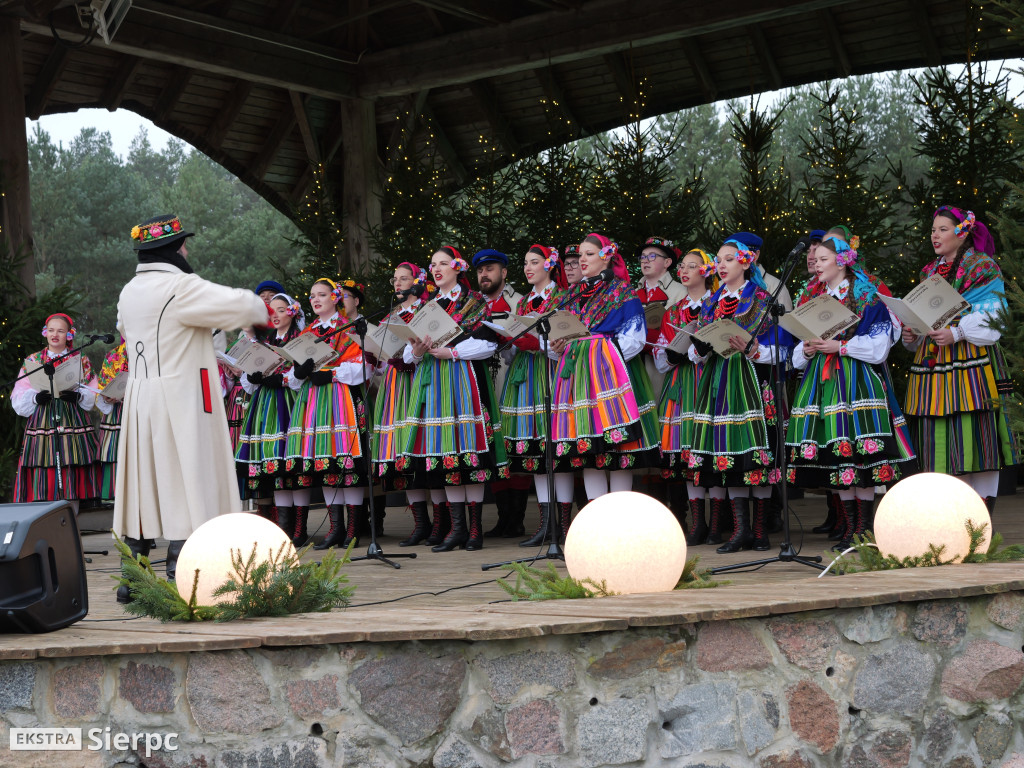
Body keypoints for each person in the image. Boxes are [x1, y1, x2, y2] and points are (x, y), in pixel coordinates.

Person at [114, 214, 268, 595]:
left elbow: (124, 328)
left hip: (140, 394)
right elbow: (246, 307)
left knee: (143, 481)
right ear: (172, 249)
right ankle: (184, 572)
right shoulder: (181, 287)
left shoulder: (129, 290)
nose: (187, 250)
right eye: (183, 244)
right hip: (181, 395)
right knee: (186, 479)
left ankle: (132, 572)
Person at [786, 235, 917, 548]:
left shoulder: (866, 293)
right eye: (814, 259)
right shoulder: (809, 294)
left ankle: (864, 528)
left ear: (842, 261)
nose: (815, 264)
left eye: (822, 259)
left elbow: (880, 347)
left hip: (857, 379)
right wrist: (805, 348)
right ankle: (849, 527)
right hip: (822, 381)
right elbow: (794, 352)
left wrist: (840, 346)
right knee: (838, 456)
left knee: (862, 453)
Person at [902, 207, 1018, 512]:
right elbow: (925, 320)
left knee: (979, 444)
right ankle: (957, 521)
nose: (934, 236)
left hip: (972, 365)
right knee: (944, 447)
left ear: (961, 232)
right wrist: (912, 335)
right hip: (934, 370)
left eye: (942, 229)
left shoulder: (982, 267)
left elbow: (998, 316)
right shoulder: (930, 272)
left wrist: (959, 332)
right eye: (932, 230)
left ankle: (981, 523)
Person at [396, 246, 509, 552]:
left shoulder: (473, 302)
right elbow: (410, 353)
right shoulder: (427, 306)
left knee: (468, 453)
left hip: (463, 382)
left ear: (457, 268)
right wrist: (416, 351)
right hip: (433, 387)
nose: (436, 269)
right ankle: (457, 529)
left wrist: (453, 352)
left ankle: (474, 530)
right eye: (433, 264)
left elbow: (488, 345)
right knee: (446, 455)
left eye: (443, 263)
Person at [687, 238, 794, 554]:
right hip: (720, 382)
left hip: (753, 382)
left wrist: (753, 349)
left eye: (729, 259)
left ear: (746, 263)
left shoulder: (763, 299)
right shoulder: (712, 301)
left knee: (757, 452)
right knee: (729, 452)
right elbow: (699, 346)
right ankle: (742, 529)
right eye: (718, 260)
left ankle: (759, 530)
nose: (721, 265)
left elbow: (783, 350)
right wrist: (700, 348)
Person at [547, 233, 660, 522]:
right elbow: (562, 339)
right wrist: (559, 347)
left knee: (619, 451)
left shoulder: (623, 292)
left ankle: (621, 523)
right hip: (578, 383)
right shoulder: (571, 295)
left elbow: (635, 339)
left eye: (588, 254)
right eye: (579, 255)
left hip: (611, 379)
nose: (581, 260)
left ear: (606, 256)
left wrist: (598, 349)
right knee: (588, 450)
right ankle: (596, 524)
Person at [284, 278, 369, 550]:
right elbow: (296, 378)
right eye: (312, 296)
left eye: (322, 294)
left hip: (342, 398)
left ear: (335, 297)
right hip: (315, 402)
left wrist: (330, 373)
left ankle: (353, 530)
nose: (316, 299)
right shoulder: (306, 333)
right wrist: (298, 373)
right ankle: (335, 529)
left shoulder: (348, 329)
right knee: (325, 462)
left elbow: (360, 368)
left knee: (347, 464)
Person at [496, 244, 569, 545]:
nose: (528, 268)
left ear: (550, 265)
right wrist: (509, 341)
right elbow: (518, 344)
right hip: (525, 376)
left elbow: (565, 343)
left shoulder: (562, 297)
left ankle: (561, 526)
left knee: (553, 450)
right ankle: (545, 524)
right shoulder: (525, 301)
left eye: (534, 262)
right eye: (525, 263)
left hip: (550, 376)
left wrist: (536, 345)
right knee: (534, 454)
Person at [652, 249, 722, 545]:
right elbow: (659, 355)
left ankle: (717, 523)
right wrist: (670, 355)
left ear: (706, 271)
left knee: (712, 450)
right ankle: (697, 524)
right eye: (682, 266)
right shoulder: (674, 309)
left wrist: (700, 351)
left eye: (692, 266)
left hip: (708, 382)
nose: (684, 270)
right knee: (685, 454)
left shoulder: (718, 304)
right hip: (681, 384)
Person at [371, 262, 440, 546]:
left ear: (417, 281)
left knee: (426, 449)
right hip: (396, 385)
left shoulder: (427, 310)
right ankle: (420, 523)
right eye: (395, 280)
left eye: (404, 279)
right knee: (403, 453)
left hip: (420, 382)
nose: (398, 284)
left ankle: (442, 521)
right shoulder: (391, 316)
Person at [11, 312, 100, 513]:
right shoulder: (33, 360)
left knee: (72, 471)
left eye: (61, 331)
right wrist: (35, 398)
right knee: (45, 471)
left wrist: (79, 396)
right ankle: (48, 525)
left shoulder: (80, 359)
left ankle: (71, 523)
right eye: (51, 330)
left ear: (69, 334)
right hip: (43, 420)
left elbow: (94, 390)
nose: (55, 335)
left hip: (72, 419)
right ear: (45, 332)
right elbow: (19, 394)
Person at [473, 248, 529, 539]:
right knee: (493, 445)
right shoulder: (471, 305)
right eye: (481, 270)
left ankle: (517, 519)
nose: (485, 274)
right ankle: (503, 518)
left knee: (511, 443)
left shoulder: (519, 302)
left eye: (491, 269)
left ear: (504, 273)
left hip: (511, 377)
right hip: (482, 380)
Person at [234, 293, 304, 523]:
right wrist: (253, 378)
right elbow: (247, 381)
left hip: (290, 404)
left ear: (292, 312)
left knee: (293, 466)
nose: (275, 315)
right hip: (264, 405)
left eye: (281, 310)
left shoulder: (299, 339)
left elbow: (301, 377)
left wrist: (283, 380)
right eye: (271, 311)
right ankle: (285, 528)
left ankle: (300, 528)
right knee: (275, 470)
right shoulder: (264, 342)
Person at [635, 236, 687, 396]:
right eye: (642, 257)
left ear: (667, 262)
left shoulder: (681, 291)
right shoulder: (632, 293)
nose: (645, 261)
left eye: (652, 256)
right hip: (635, 361)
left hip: (665, 365)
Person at [94, 339, 128, 501]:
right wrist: (106, 395)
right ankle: (116, 499)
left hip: (143, 409)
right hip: (118, 413)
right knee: (115, 453)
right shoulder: (113, 355)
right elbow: (102, 384)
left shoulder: (154, 352)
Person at [728, 231, 793, 311]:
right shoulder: (720, 286)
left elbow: (786, 322)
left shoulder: (775, 286)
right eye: (731, 258)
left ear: (756, 255)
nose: (737, 261)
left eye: (742, 256)